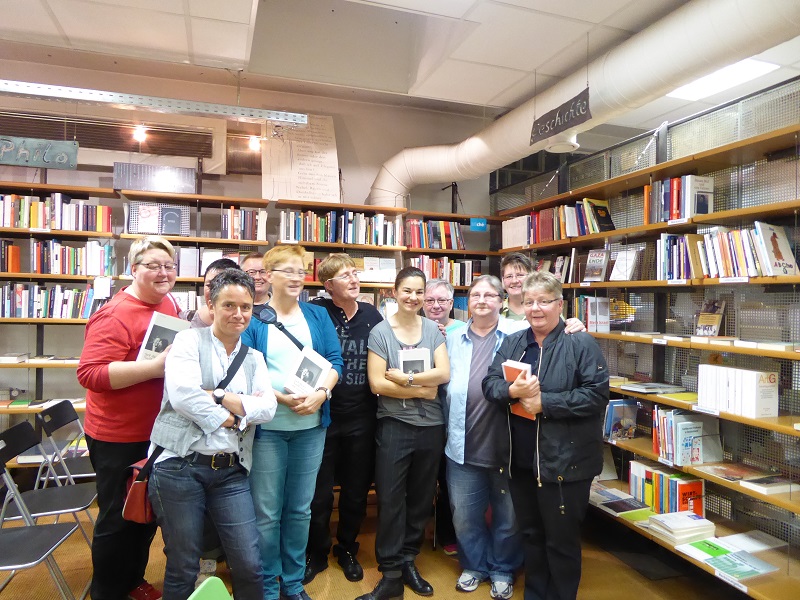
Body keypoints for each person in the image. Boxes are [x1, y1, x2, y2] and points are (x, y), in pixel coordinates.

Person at [445, 275, 586, 600]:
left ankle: (502, 570)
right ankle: (474, 566)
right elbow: (483, 384)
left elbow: (551, 327)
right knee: (464, 516)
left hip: (508, 447)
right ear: (467, 300)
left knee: (510, 519)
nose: (482, 300)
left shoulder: (516, 334)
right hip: (463, 444)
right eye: (476, 294)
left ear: (503, 301)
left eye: (489, 295)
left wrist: (573, 323)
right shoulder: (451, 338)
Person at [148, 268, 278, 600]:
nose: (239, 314)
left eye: (246, 307)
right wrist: (237, 418)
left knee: (249, 563)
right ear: (211, 304)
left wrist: (218, 395)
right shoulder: (188, 341)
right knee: (183, 565)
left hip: (231, 470)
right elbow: (184, 397)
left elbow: (268, 408)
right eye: (229, 305)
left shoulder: (254, 358)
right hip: (179, 467)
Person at [482, 271, 609, 600]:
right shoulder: (514, 342)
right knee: (531, 536)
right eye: (529, 302)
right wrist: (512, 390)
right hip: (521, 461)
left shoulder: (579, 343)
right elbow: (490, 385)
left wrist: (545, 403)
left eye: (544, 301)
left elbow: (596, 395)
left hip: (564, 463)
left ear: (559, 304)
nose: (535, 308)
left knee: (561, 542)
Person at [77, 235, 180, 600]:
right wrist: (153, 368)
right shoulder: (115, 314)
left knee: (144, 512)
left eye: (168, 266)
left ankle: (132, 580)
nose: (163, 273)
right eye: (153, 266)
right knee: (117, 519)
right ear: (134, 269)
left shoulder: (169, 303)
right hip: (117, 436)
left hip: (155, 431)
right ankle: (106, 592)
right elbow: (90, 373)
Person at [242, 245, 343, 600]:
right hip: (268, 430)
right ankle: (270, 584)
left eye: (301, 271)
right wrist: (279, 399)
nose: (297, 277)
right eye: (288, 270)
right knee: (267, 513)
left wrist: (322, 394)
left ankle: (294, 582)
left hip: (311, 429)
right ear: (268, 276)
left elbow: (335, 362)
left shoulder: (317, 315)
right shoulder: (254, 319)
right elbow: (245, 373)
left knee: (300, 510)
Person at [359, 267, 450, 600]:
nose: (413, 297)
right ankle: (391, 573)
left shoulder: (433, 330)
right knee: (391, 499)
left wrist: (405, 379)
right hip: (394, 426)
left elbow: (443, 374)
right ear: (394, 292)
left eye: (419, 292)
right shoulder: (381, 333)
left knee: (421, 499)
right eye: (407, 290)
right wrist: (422, 389)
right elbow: (377, 383)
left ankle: (409, 560)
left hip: (431, 428)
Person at [306, 254, 383, 584]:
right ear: (328, 286)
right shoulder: (315, 312)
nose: (354, 279)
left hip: (363, 417)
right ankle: (317, 551)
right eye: (345, 275)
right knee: (319, 494)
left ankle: (347, 548)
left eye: (355, 273)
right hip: (323, 417)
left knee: (355, 491)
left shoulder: (372, 314)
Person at [421, 278, 463, 556]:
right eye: (430, 300)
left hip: (455, 417)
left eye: (442, 300)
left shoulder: (464, 330)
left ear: (451, 303)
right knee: (423, 478)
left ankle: (448, 533)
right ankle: (417, 532)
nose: (436, 306)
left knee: (450, 480)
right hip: (423, 414)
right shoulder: (414, 328)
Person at [186, 258, 240, 328]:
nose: (213, 291)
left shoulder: (245, 322)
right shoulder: (188, 318)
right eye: (209, 285)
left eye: (221, 285)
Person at [499, 253, 532, 321]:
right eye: (509, 276)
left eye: (520, 275)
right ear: (503, 280)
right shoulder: (496, 309)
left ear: (530, 277)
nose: (514, 281)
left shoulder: (541, 308)